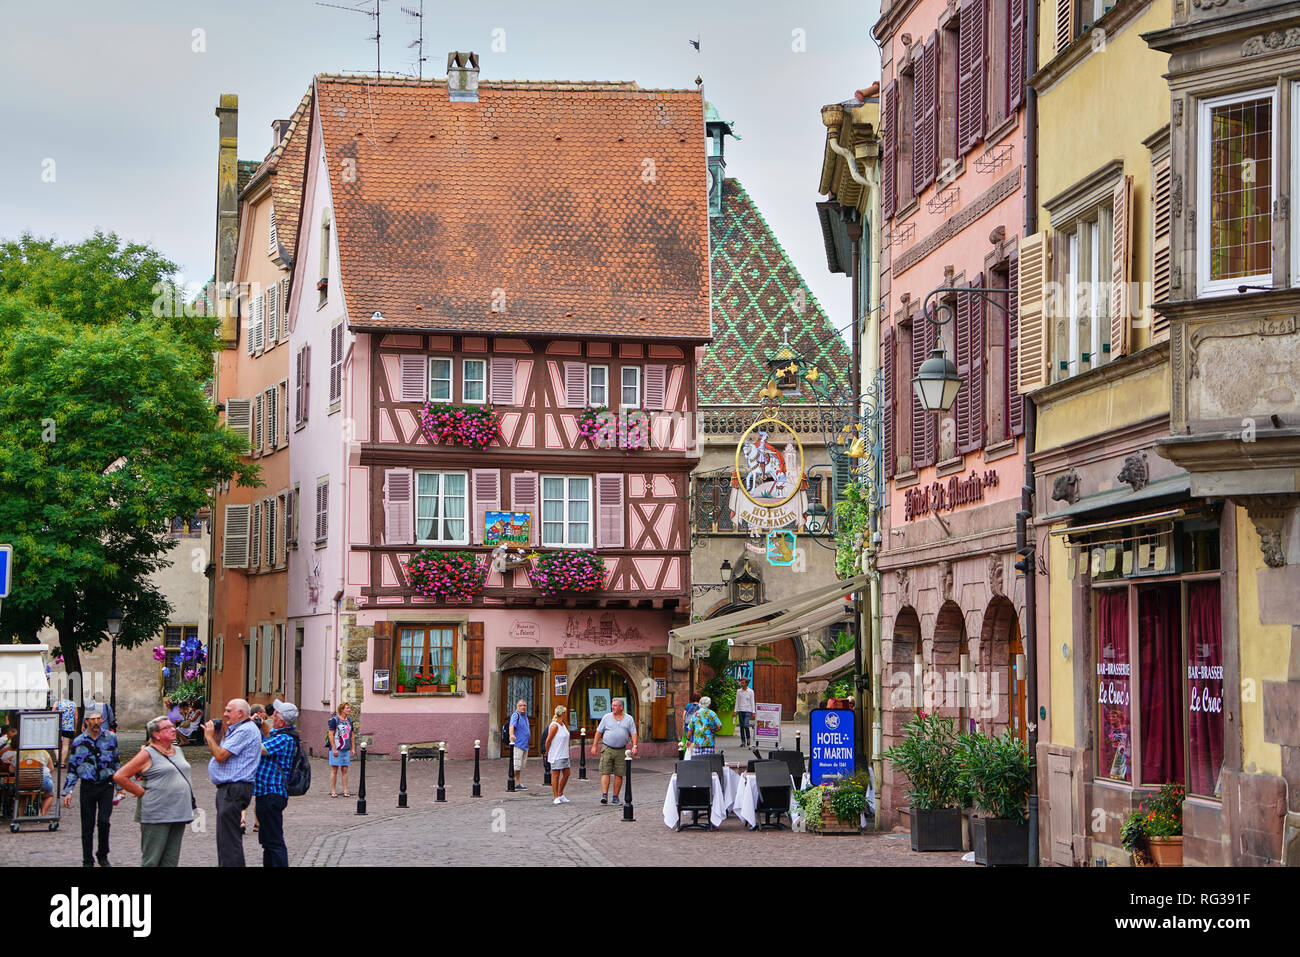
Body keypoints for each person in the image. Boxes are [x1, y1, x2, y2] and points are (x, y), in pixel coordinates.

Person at [113, 715, 194, 866]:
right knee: (152, 860)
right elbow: (120, 776)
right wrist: (139, 792)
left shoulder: (177, 750)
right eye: (167, 728)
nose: (173, 729)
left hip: (178, 813)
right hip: (156, 813)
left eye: (172, 726)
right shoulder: (147, 753)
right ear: (156, 734)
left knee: (170, 861)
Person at [204, 698, 262, 867]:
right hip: (230, 789)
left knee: (229, 840)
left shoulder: (244, 730)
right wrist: (217, 737)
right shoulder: (237, 730)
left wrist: (208, 738)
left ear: (241, 713)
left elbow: (220, 756)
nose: (225, 714)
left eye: (229, 710)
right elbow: (221, 754)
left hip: (234, 789)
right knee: (226, 838)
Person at [61, 707, 121, 867]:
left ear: (102, 720)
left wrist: (120, 786)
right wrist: (68, 790)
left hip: (106, 785)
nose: (96, 722)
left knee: (103, 822)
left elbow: (116, 762)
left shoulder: (111, 738)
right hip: (88, 786)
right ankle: (87, 859)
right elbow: (73, 767)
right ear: (86, 721)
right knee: (87, 825)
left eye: (98, 719)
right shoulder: (79, 741)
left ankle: (103, 854)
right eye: (92, 719)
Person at [252, 699, 300, 868]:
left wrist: (247, 728)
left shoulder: (284, 739)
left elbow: (257, 749)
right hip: (267, 793)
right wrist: (260, 723)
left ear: (281, 721)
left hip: (272, 794)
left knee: (274, 842)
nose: (272, 715)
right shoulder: (282, 734)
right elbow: (270, 731)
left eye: (275, 714)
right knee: (267, 842)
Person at [591, 697, 637, 805]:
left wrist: (635, 746)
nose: (613, 707)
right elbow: (598, 732)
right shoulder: (606, 717)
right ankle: (604, 795)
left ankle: (615, 797)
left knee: (619, 773)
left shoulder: (629, 719)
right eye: (612, 705)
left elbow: (634, 733)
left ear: (621, 707)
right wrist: (594, 745)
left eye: (615, 705)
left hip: (621, 750)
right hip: (607, 748)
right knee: (605, 771)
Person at [544, 706, 573, 805]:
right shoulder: (554, 726)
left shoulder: (563, 724)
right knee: (556, 774)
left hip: (564, 753)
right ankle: (555, 795)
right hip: (556, 753)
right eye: (565, 713)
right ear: (563, 714)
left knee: (567, 773)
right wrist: (547, 751)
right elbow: (548, 740)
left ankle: (560, 793)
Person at [328, 702, 355, 797]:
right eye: (347, 708)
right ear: (342, 709)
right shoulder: (335, 720)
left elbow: (352, 734)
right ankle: (333, 790)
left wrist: (353, 747)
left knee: (344, 769)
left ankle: (345, 790)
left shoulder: (350, 721)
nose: (349, 709)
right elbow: (331, 734)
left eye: (349, 708)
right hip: (337, 747)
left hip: (346, 748)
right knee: (334, 768)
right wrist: (334, 748)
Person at [508, 699, 530, 790]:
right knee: (516, 765)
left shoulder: (525, 716)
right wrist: (511, 735)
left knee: (520, 765)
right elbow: (511, 726)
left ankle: (516, 781)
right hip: (518, 744)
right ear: (517, 707)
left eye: (524, 705)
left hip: (524, 744)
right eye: (521, 705)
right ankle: (515, 783)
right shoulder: (516, 715)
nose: (523, 707)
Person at [55, 695, 78, 766]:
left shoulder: (57, 703)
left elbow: (52, 714)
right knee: (66, 745)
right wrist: (75, 728)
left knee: (56, 744)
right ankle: (62, 762)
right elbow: (76, 717)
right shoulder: (73, 704)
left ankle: (58, 759)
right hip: (69, 727)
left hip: (57, 726)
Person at [734, 678, 756, 748]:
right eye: (741, 683)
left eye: (743, 683)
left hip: (747, 710)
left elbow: (752, 702)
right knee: (741, 727)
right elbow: (737, 701)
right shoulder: (738, 691)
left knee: (746, 725)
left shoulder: (750, 692)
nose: (742, 684)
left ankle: (748, 738)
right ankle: (743, 741)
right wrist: (735, 711)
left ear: (746, 684)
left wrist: (753, 712)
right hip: (740, 710)